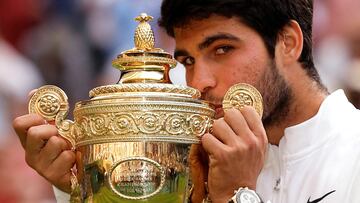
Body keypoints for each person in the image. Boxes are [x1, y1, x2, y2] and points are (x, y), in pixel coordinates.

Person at [12, 0, 360, 203]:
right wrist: (79, 184)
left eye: (222, 49)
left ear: (288, 42)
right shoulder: (189, 154)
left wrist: (235, 196)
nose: (198, 83)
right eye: (188, 61)